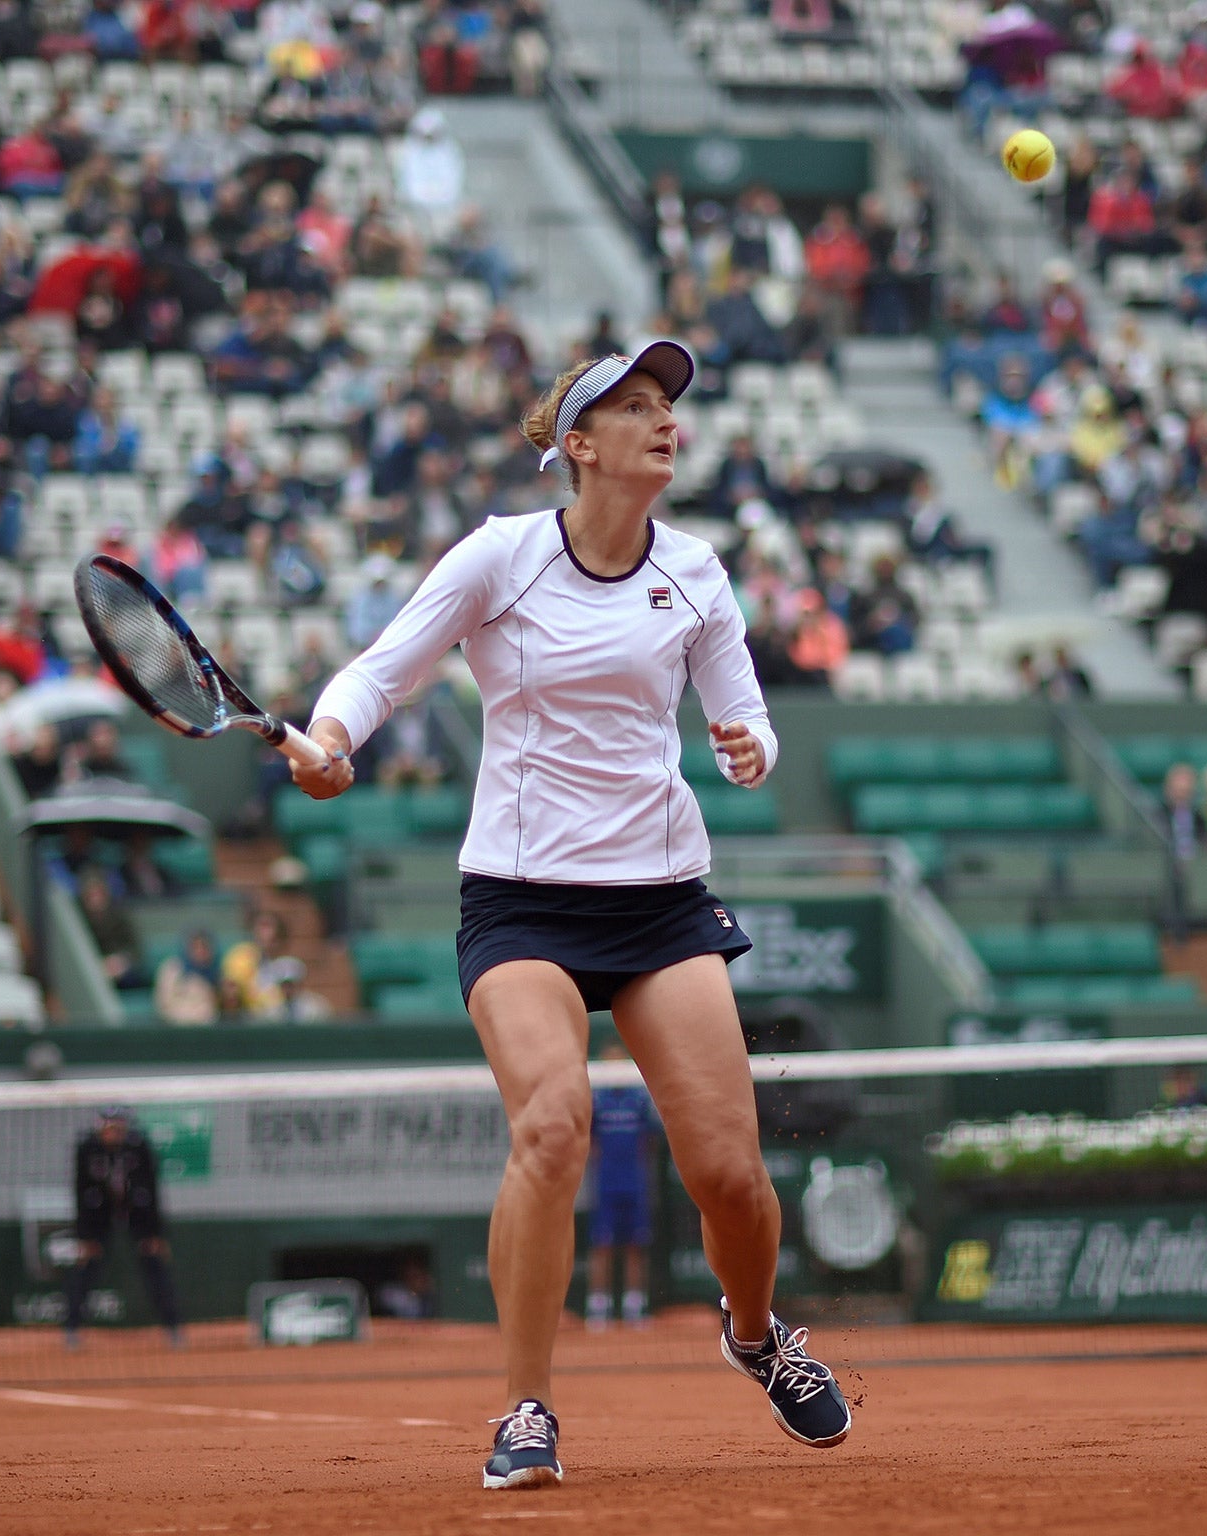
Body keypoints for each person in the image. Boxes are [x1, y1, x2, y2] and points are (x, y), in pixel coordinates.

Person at [289, 340, 851, 1490]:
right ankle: (525, 1407)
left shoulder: (696, 572)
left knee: (732, 1181)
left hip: (658, 906)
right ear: (576, 447)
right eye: (633, 408)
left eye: (668, 405)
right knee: (552, 1127)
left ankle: (754, 1334)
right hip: (520, 905)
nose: (664, 422)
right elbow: (382, 669)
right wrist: (331, 739)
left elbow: (743, 716)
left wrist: (749, 746)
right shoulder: (500, 557)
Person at [63, 1107, 183, 1349]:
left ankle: (173, 1329)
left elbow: (152, 1190)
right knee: (85, 1272)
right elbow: (80, 1191)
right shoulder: (87, 1149)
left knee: (155, 1268)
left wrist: (155, 1234)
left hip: (139, 1214)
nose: (114, 1133)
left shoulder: (139, 1148)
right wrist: (84, 1236)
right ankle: (72, 1330)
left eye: (119, 1128)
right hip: (97, 1216)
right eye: (110, 1128)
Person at [584, 1039, 659, 1332]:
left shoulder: (638, 1099)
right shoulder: (596, 1101)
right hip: (604, 1185)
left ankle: (634, 1306)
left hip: (636, 1184)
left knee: (634, 1246)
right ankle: (599, 1308)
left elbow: (649, 1141)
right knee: (601, 1245)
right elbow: (589, 1141)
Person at [153, 929, 222, 1025]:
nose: (200, 951)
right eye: (195, 947)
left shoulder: (218, 974)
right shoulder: (172, 969)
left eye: (204, 947)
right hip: (177, 1028)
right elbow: (164, 1007)